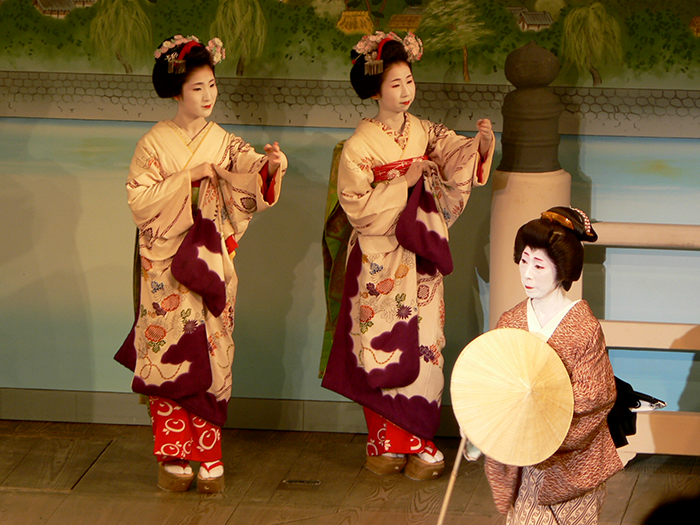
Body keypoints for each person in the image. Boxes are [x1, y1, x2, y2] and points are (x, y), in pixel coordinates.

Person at [114, 35, 287, 493]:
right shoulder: (152, 145)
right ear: (176, 91)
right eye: (197, 88)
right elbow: (139, 200)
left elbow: (248, 170)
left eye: (212, 85)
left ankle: (208, 450)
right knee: (168, 352)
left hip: (212, 263)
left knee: (213, 348)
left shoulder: (223, 141)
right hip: (165, 267)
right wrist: (186, 178)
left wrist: (270, 167)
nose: (208, 96)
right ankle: (173, 452)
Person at [320, 31, 495, 480]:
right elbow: (357, 205)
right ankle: (383, 442)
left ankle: (419, 439)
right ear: (375, 89)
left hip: (419, 253)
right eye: (395, 84)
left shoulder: (423, 130)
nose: (405, 91)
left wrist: (477, 147)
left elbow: (452, 152)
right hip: (378, 257)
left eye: (409, 81)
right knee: (381, 344)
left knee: (424, 342)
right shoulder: (359, 147)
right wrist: (404, 181)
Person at [485, 206, 623, 523]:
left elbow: (596, 396)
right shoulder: (511, 322)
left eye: (539, 265)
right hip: (523, 461)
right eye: (523, 261)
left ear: (562, 269)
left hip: (571, 462)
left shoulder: (584, 328)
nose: (527, 274)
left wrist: (543, 422)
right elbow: (492, 379)